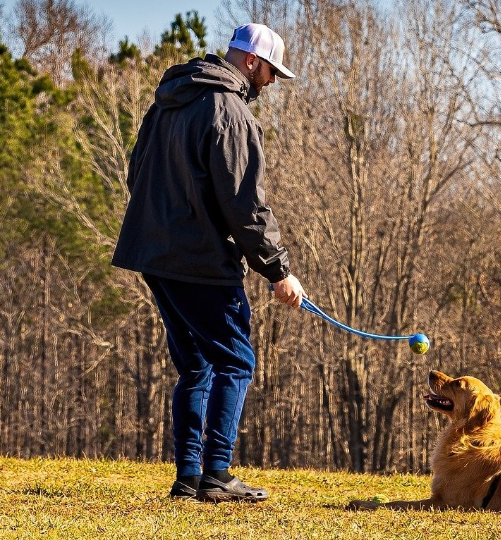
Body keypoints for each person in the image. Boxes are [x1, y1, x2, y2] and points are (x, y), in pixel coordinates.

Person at [112, 23, 306, 502]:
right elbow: (245, 206)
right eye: (272, 72)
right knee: (236, 361)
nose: (273, 83)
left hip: (155, 256)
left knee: (195, 368)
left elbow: (136, 173)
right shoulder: (232, 112)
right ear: (252, 62)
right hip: (199, 261)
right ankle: (217, 473)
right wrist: (279, 271)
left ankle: (188, 477)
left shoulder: (167, 102)